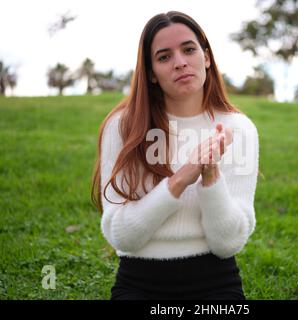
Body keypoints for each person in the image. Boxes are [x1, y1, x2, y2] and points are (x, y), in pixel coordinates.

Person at [91, 11, 259, 300]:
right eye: (164, 57)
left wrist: (210, 176)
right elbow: (122, 237)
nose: (180, 62)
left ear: (206, 58)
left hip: (215, 280)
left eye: (189, 49)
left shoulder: (239, 128)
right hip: (139, 280)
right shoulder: (124, 127)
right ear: (151, 73)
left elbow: (228, 243)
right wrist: (182, 177)